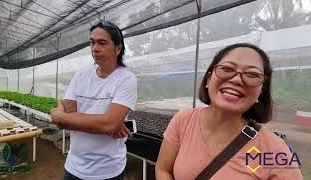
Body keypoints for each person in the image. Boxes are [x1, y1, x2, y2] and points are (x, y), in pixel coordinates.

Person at [155, 43, 303, 180]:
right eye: (227, 69)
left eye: (252, 75)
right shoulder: (184, 120)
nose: (237, 80)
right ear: (208, 79)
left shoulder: (275, 149)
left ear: (261, 92)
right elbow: (163, 169)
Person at [50, 20, 137, 180]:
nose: (95, 48)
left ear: (118, 48)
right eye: (92, 43)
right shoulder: (81, 75)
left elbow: (107, 124)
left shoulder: (126, 79)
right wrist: (105, 124)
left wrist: (61, 116)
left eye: (102, 43)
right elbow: (69, 116)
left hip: (108, 170)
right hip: (74, 166)